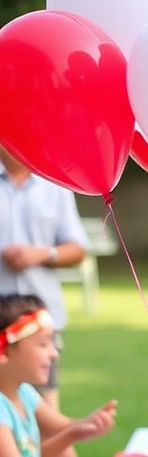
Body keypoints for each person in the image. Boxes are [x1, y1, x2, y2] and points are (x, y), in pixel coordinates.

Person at [0, 294, 117, 457]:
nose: (53, 353)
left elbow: (61, 426)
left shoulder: (24, 392)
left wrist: (86, 424)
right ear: (3, 351)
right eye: (43, 344)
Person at [0, 146, 89, 410]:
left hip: (39, 323)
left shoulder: (55, 183)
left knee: (45, 413)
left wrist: (42, 254)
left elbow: (77, 249)